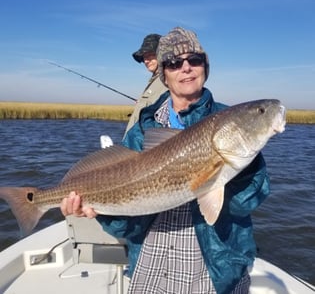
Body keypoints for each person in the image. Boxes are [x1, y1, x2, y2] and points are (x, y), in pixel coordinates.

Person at [61, 27, 270, 294]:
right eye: (174, 63)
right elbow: (128, 224)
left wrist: (232, 162)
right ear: (164, 74)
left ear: (205, 67)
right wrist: (97, 211)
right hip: (152, 264)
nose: (186, 68)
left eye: (194, 60)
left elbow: (247, 202)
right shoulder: (143, 129)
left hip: (213, 268)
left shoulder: (229, 121)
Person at [124, 33, 168, 135]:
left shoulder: (167, 81)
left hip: (144, 147)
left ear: (161, 55)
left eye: (151, 55)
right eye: (144, 57)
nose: (146, 60)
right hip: (134, 145)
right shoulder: (155, 81)